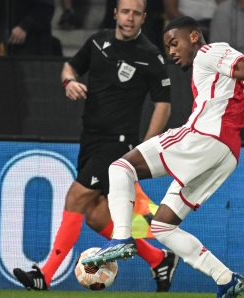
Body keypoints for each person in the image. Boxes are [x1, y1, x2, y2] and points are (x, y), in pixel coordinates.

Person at [81, 16, 244, 298]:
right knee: (163, 226)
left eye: (174, 43)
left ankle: (121, 237)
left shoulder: (209, 52)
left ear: (193, 36)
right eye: (168, 47)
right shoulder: (226, 78)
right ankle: (226, 279)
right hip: (226, 154)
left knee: (121, 166)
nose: (172, 52)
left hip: (204, 136)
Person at [12, 0, 179, 292]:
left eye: (136, 13)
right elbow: (69, 67)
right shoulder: (98, 41)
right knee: (97, 216)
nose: (130, 18)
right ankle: (159, 259)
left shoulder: (151, 56)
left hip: (118, 145)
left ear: (144, 18)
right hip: (90, 139)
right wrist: (69, 82)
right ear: (115, 13)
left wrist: (142, 150)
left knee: (76, 197)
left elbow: (162, 106)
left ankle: (45, 275)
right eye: (125, 12)